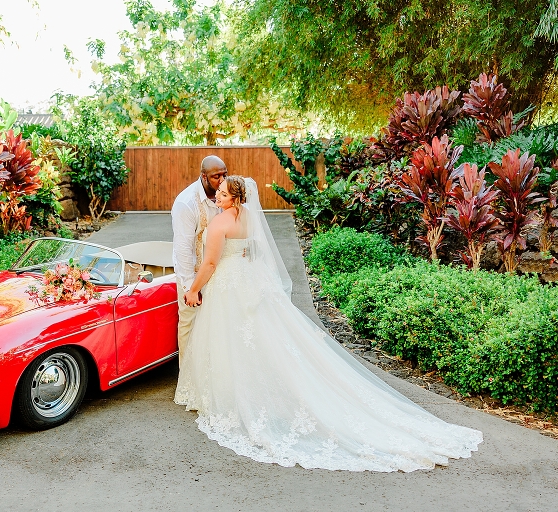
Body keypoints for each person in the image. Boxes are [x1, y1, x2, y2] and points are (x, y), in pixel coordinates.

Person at [175, 175, 483, 472]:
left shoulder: (219, 222)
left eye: (224, 194)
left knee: (231, 340)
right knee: (258, 338)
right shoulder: (247, 217)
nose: (218, 196)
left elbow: (211, 263)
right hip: (249, 280)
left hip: (229, 284)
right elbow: (250, 252)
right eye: (219, 192)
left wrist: (192, 289)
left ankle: (233, 398)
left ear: (236, 197)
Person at [171, 155, 228, 366]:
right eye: (216, 177)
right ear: (203, 177)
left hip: (220, 272)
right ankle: (187, 376)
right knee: (189, 322)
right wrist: (189, 287)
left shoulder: (226, 194)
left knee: (216, 322)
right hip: (193, 274)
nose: (222, 180)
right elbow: (183, 249)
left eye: (224, 174)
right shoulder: (186, 204)